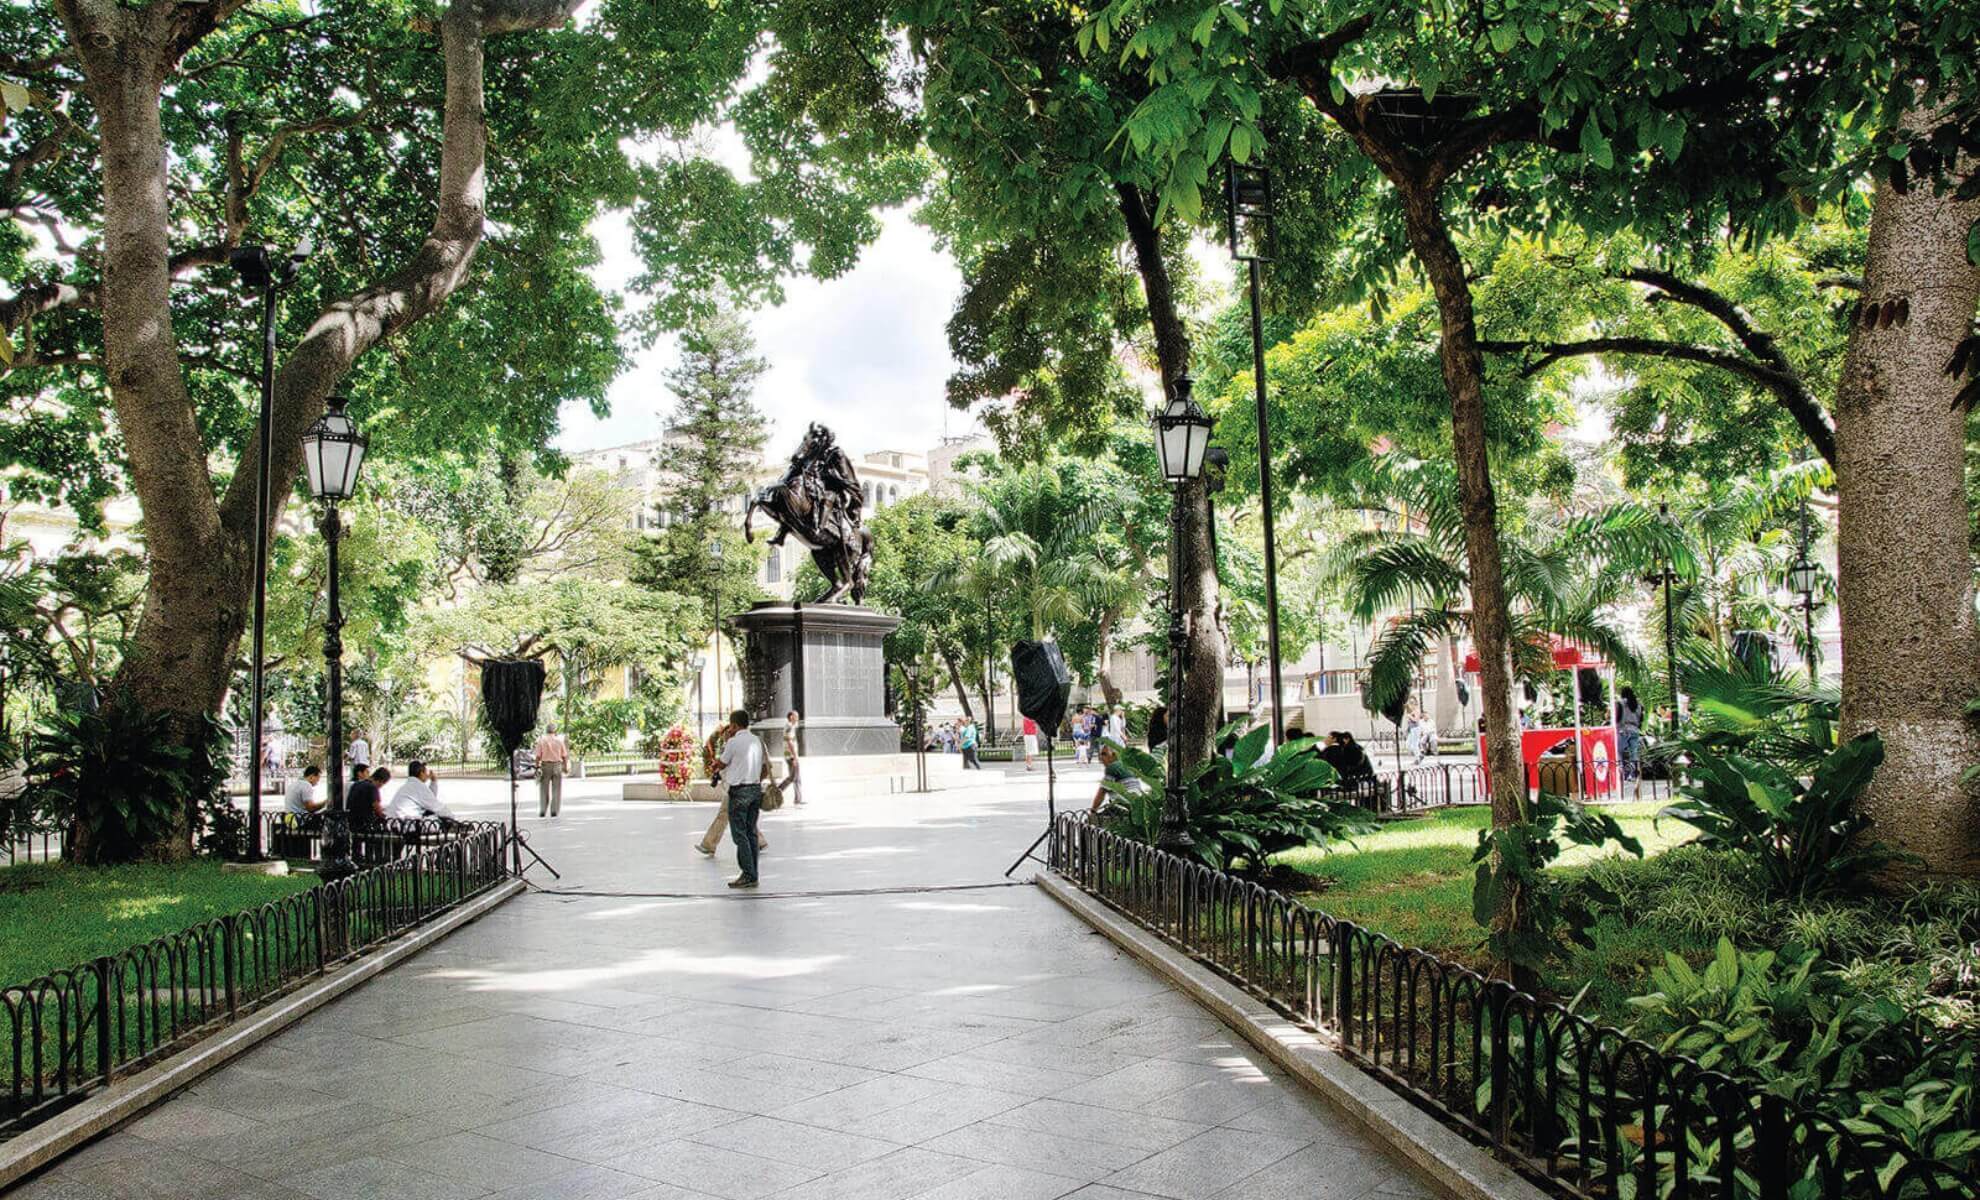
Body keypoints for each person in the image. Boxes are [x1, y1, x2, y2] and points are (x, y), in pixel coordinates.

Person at [714, 709, 769, 890]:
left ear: (735, 725)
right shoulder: (757, 741)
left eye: (731, 725)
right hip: (754, 789)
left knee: (740, 834)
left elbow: (721, 763)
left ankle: (747, 874)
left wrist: (717, 762)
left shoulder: (733, 742)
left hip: (739, 791)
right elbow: (763, 767)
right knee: (751, 832)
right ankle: (754, 873)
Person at [388, 760, 457, 822]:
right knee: (442, 819)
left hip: (393, 822)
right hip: (406, 824)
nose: (427, 775)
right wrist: (453, 818)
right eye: (426, 772)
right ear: (421, 773)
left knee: (430, 811)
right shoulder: (418, 786)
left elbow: (430, 798)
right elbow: (436, 806)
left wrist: (433, 782)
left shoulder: (407, 785)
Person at [1089, 743, 1146, 815]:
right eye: (1100, 754)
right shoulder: (1126, 766)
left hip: (1124, 805)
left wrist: (1093, 811)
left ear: (1114, 755)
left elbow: (1102, 792)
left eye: (1104, 754)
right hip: (1137, 804)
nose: (1101, 758)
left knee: (1097, 820)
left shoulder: (1112, 767)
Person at [533, 723, 569, 818]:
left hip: (545, 766)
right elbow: (564, 756)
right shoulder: (559, 741)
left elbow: (537, 756)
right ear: (555, 731)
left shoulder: (542, 741)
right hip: (557, 765)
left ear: (546, 730)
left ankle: (543, 810)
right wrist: (565, 767)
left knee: (544, 789)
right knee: (556, 789)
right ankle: (554, 811)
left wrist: (537, 767)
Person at [1616, 686, 1645, 796]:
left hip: (1623, 730)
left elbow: (1617, 717)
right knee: (1634, 753)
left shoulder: (1620, 703)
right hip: (1635, 730)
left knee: (1619, 752)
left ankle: (1621, 773)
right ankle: (1633, 774)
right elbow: (1641, 718)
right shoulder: (1639, 704)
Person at [783, 710, 804, 807]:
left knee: (795, 778)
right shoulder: (789, 726)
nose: (798, 718)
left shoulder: (789, 726)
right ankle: (778, 790)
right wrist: (795, 757)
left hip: (789, 755)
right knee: (793, 777)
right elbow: (789, 742)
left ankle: (798, 798)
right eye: (796, 716)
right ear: (791, 717)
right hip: (791, 756)